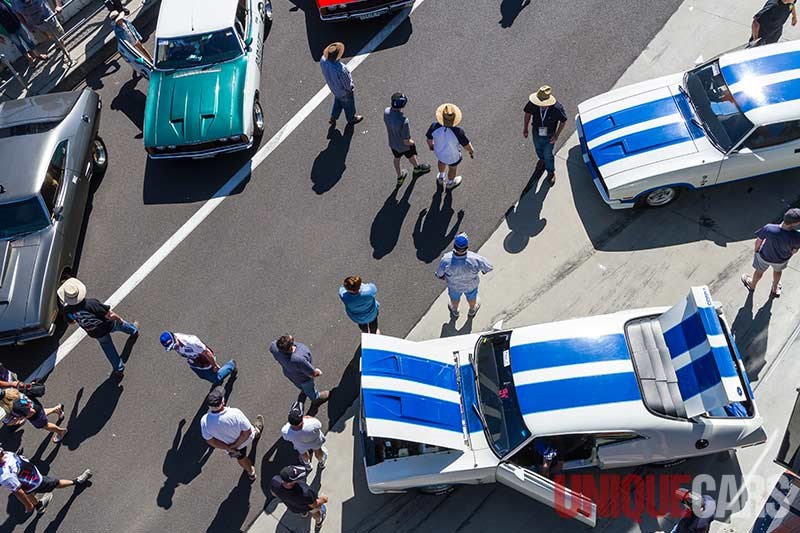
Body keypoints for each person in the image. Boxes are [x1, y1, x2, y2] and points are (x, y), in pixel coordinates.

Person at [58, 278, 139, 380]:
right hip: (107, 324)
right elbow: (110, 314)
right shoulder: (91, 303)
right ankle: (134, 331)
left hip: (95, 332)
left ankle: (119, 368)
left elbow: (71, 322)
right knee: (121, 326)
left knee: (108, 349)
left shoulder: (67, 311)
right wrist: (120, 319)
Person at [0, 447, 91, 515]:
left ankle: (39, 506)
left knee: (28, 491)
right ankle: (76, 482)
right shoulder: (6, 476)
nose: (2, 451)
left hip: (28, 479)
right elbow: (18, 492)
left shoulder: (4, 455)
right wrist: (28, 505)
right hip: (34, 481)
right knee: (55, 483)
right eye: (0, 452)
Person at [200, 386, 264, 482]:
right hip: (245, 439)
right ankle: (257, 432)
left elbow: (211, 441)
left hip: (231, 448)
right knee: (253, 432)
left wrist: (228, 448)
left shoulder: (204, 421)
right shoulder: (235, 413)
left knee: (241, 458)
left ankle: (251, 473)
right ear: (223, 402)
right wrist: (236, 445)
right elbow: (246, 432)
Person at [741, 208, 800, 298]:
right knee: (777, 271)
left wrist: (756, 251)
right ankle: (774, 288)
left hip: (764, 257)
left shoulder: (769, 228)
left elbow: (758, 241)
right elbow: (794, 251)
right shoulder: (797, 236)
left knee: (759, 272)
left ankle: (752, 285)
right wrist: (788, 255)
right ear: (795, 223)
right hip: (781, 260)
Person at [435, 233, 493, 318]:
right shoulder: (475, 258)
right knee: (472, 298)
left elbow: (439, 274)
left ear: (454, 246)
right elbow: (489, 267)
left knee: (454, 299)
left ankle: (455, 310)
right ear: (467, 247)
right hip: (471, 285)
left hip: (454, 286)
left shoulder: (446, 259)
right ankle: (472, 309)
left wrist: (443, 276)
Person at [383, 92, 431, 187]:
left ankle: (400, 177)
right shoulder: (404, 121)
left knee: (397, 158)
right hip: (404, 146)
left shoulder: (386, 111)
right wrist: (412, 143)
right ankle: (417, 168)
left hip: (393, 143)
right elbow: (406, 141)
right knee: (411, 156)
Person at [523, 85, 567, 184]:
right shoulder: (533, 104)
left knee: (549, 154)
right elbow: (527, 114)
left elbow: (563, 121)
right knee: (538, 148)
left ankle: (550, 172)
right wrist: (525, 128)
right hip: (536, 131)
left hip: (550, 135)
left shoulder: (557, 108)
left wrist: (556, 135)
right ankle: (541, 160)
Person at [269, 335, 329, 406]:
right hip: (303, 378)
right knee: (308, 387)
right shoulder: (299, 359)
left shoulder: (274, 346)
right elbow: (312, 373)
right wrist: (318, 372)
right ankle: (316, 398)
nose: (290, 336)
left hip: (289, 373)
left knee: (299, 385)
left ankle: (304, 390)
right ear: (290, 346)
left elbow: (272, 349)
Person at [426, 103, 474, 190]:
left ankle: (441, 176)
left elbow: (429, 139)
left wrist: (431, 146)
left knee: (441, 162)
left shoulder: (434, 126)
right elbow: (466, 145)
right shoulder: (458, 132)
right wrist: (471, 150)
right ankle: (450, 182)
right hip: (453, 156)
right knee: (452, 168)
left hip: (439, 152)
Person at [160, 331, 237, 386]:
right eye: (171, 348)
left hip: (205, 361)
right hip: (194, 362)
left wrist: (214, 365)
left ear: (175, 337)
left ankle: (231, 365)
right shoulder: (176, 343)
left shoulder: (192, 342)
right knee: (202, 376)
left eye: (174, 345)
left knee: (217, 379)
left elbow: (207, 353)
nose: (174, 348)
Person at [270, 465, 328, 531]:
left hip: (294, 508)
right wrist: (323, 499)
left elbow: (273, 493)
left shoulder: (275, 481)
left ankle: (304, 513)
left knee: (300, 507)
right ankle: (319, 521)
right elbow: (314, 505)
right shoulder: (305, 492)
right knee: (315, 512)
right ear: (291, 483)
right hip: (306, 506)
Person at [319, 42, 363, 127]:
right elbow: (347, 84)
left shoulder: (323, 60)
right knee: (349, 106)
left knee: (338, 101)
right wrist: (351, 89)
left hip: (334, 88)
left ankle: (333, 117)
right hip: (343, 91)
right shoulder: (341, 69)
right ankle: (351, 118)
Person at [281, 405, 328, 471]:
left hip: (300, 445)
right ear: (302, 419)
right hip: (315, 441)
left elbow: (286, 438)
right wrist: (308, 417)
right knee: (318, 450)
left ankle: (307, 465)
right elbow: (319, 425)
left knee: (303, 454)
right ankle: (321, 462)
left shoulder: (285, 431)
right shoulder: (312, 423)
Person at [110, 10, 152, 78]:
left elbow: (132, 29)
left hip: (133, 38)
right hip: (129, 43)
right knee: (135, 56)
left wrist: (137, 36)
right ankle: (137, 68)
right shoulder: (117, 30)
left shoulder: (125, 21)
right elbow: (121, 40)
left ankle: (150, 59)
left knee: (142, 48)